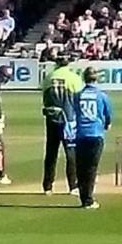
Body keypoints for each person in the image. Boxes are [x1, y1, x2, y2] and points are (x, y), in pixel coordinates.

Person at [69, 65, 114, 209]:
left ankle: (84, 198)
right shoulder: (102, 96)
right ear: (96, 79)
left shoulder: (78, 95)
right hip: (95, 134)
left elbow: (75, 112)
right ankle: (88, 200)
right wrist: (106, 125)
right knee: (91, 168)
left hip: (81, 134)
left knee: (81, 167)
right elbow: (108, 117)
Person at [41, 60, 85, 195]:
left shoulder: (49, 77)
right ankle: (73, 186)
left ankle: (47, 186)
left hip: (52, 119)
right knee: (71, 153)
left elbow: (45, 96)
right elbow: (79, 98)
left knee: (51, 153)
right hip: (68, 120)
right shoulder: (73, 78)